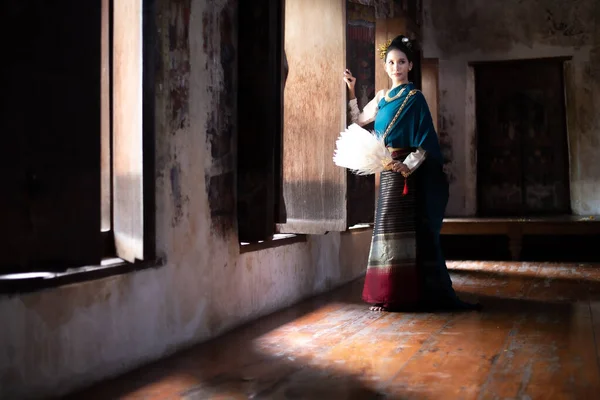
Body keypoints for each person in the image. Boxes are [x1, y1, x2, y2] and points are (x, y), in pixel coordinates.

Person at [343, 35, 479, 312]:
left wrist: (408, 165)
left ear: (410, 65)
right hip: (387, 169)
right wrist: (352, 92)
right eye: (391, 62)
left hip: (407, 173)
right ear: (385, 66)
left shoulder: (414, 98)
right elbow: (359, 121)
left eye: (401, 62)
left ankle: (406, 295)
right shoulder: (381, 98)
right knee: (385, 232)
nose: (396, 67)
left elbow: (426, 142)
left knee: (406, 233)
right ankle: (386, 293)